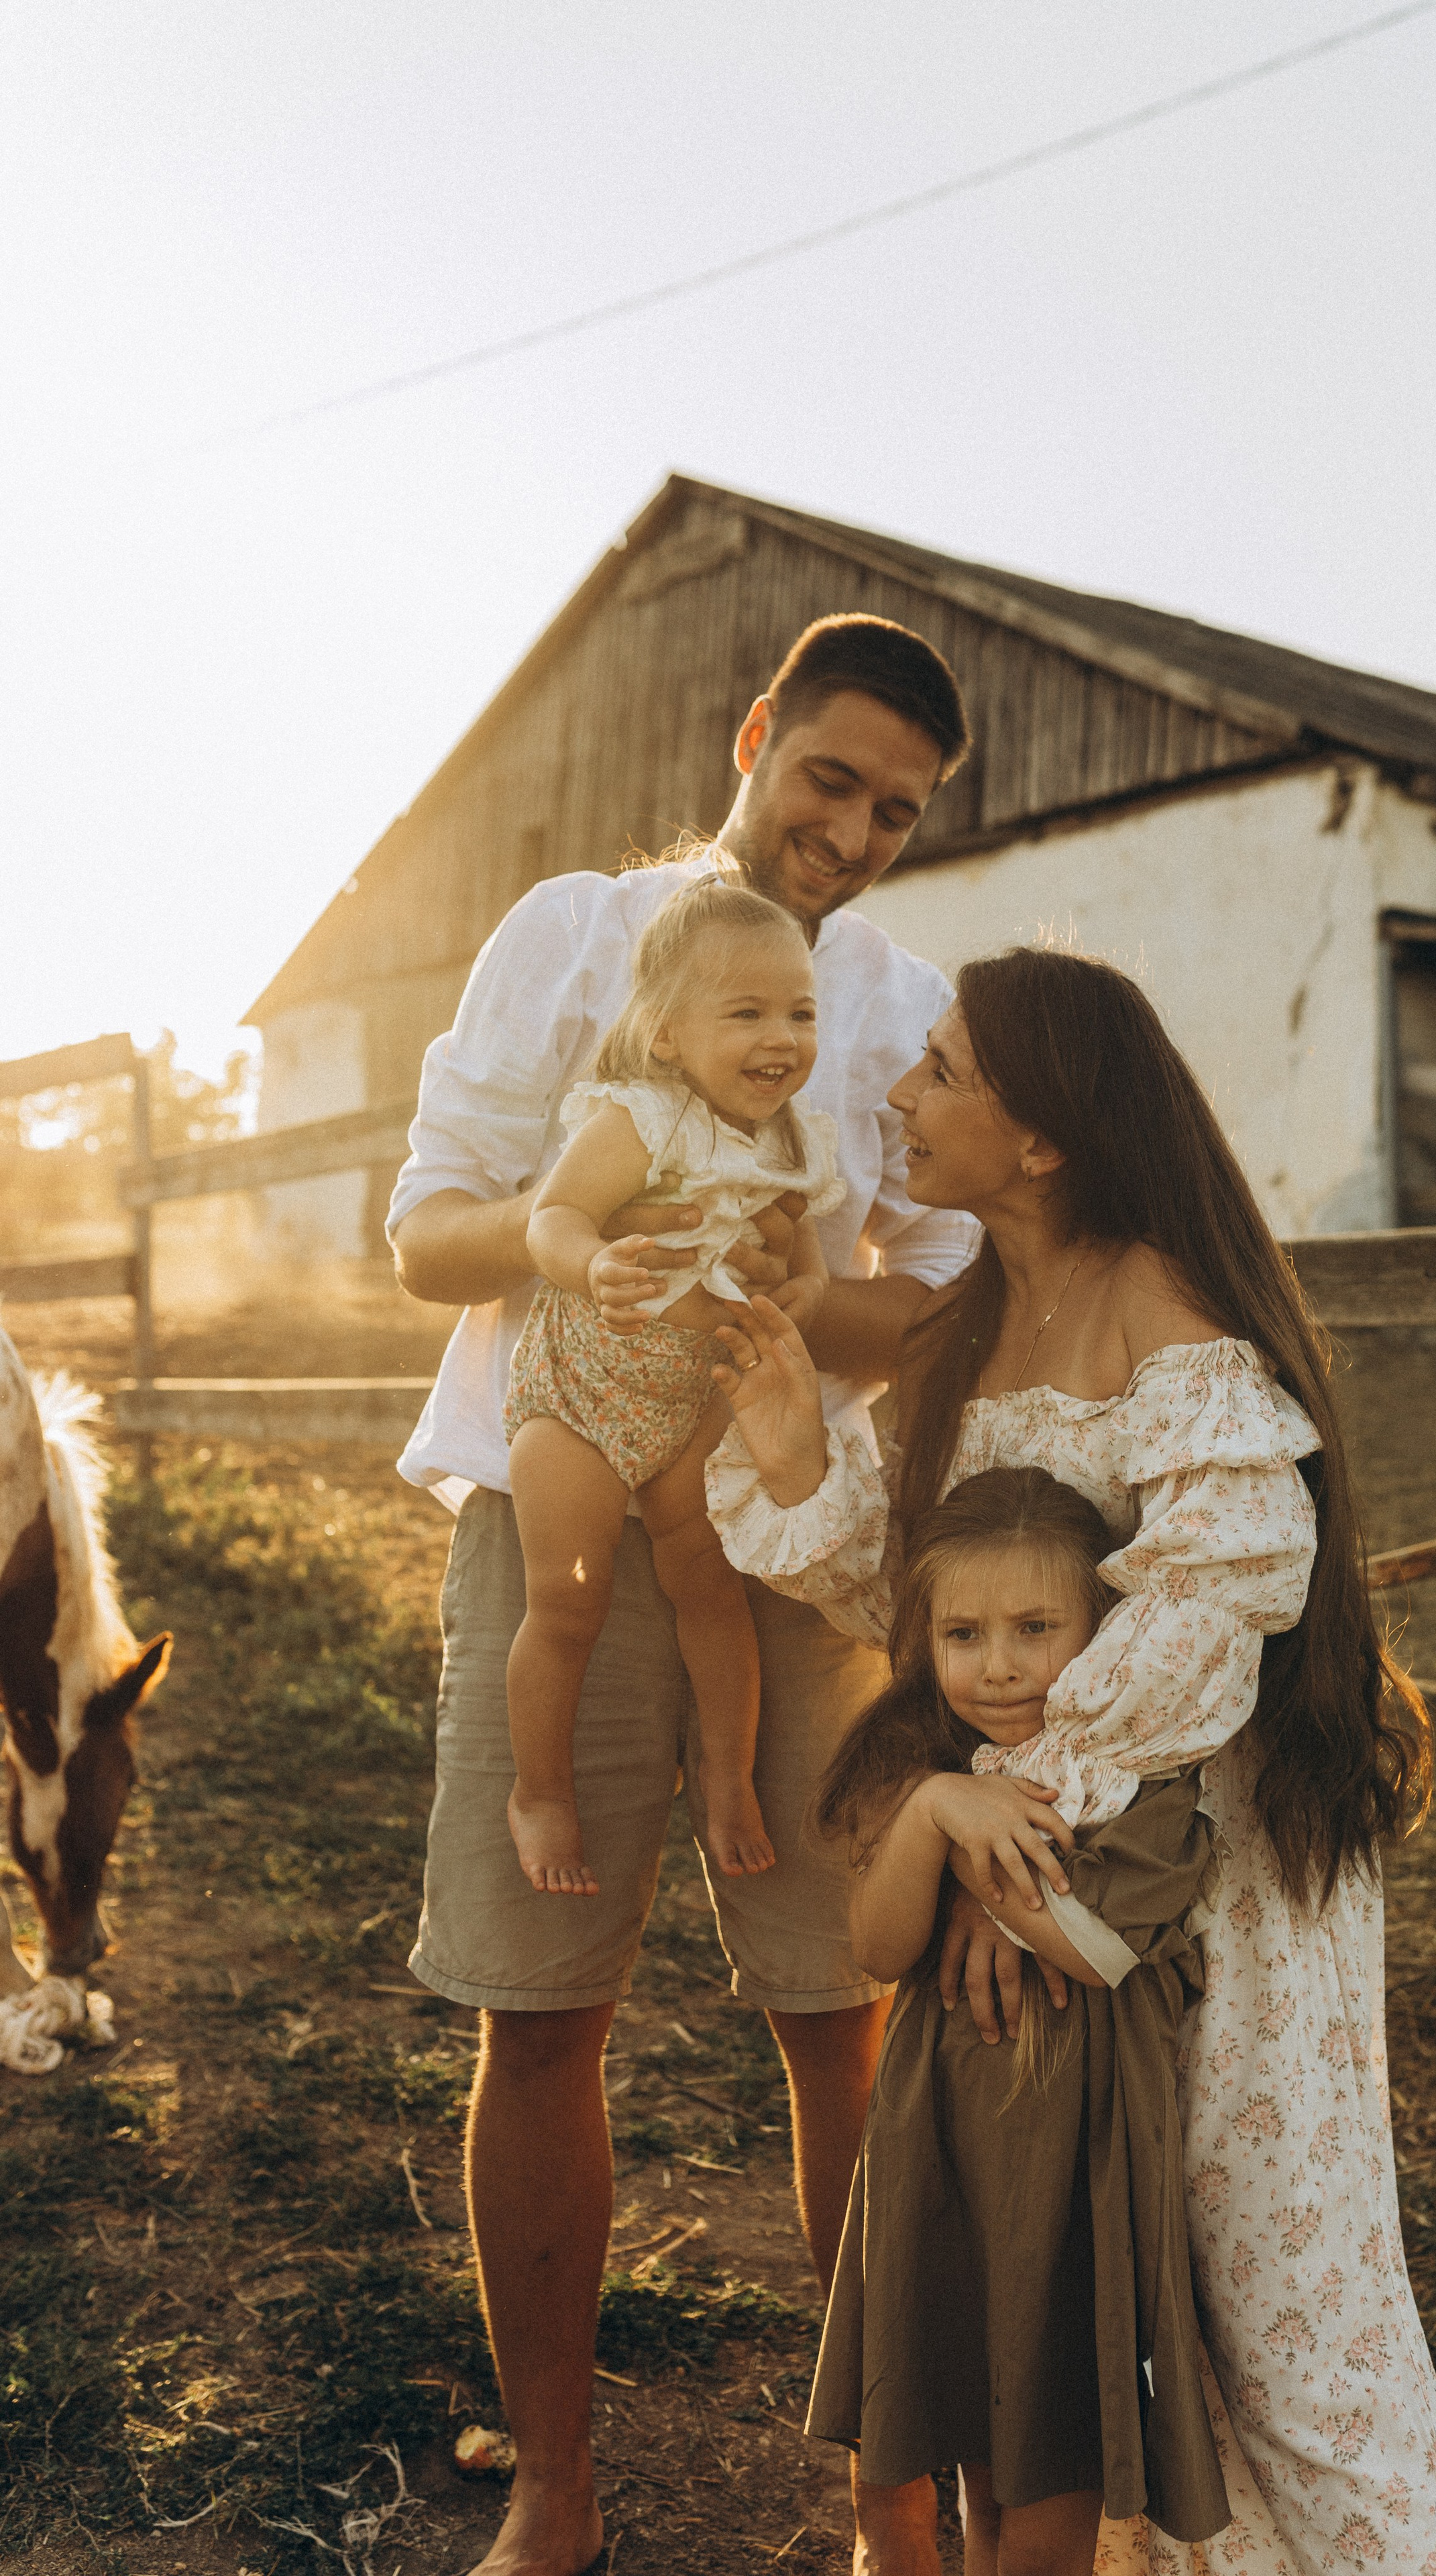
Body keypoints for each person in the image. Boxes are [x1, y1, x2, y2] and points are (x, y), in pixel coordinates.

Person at [706, 945, 1436, 2574]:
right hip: (1052, 1886)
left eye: (938, 1071)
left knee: (1289, 2320)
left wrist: (1020, 1839)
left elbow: (1218, 1587)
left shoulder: (1161, 1305)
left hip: (1205, 1896)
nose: (897, 1093)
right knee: (1132, 2314)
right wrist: (796, 1460)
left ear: (1044, 1133)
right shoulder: (965, 1326)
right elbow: (950, 1613)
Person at [388, 612, 979, 2576]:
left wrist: (809, 1298)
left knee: (843, 2006)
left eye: (897, 810)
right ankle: (556, 2492)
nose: (855, 831)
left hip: (798, 1548)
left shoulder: (903, 1007)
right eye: (831, 779)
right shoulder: (568, 933)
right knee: (540, 2007)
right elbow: (427, 1235)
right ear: (755, 737)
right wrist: (569, 1257)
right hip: (556, 1502)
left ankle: (892, 2501)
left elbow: (934, 1294)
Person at [794, 1462, 1232, 2575]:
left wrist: (985, 1866)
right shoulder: (930, 1770)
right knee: (982, 2483)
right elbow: (880, 1950)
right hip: (945, 2149)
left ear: (1109, 1632)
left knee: (1047, 2477)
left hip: (1072, 2168)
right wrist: (939, 1808)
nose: (997, 1667)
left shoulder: (1142, 1786)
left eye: (1037, 1628)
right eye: (964, 1634)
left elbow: (1090, 1950)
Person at [504, 871, 844, 1894]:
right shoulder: (639, 1120)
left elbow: (815, 1268)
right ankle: (541, 1791)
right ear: (665, 1034)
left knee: (712, 1591)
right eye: (745, 1013)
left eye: (800, 1012)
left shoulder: (790, 1142)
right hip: (577, 1397)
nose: (779, 1037)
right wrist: (592, 1264)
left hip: (692, 1400)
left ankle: (727, 1775)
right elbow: (550, 1220)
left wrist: (796, 1305)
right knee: (569, 1602)